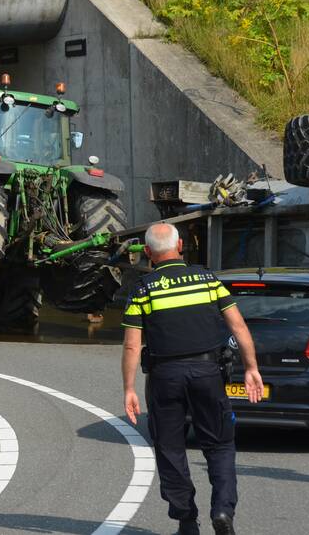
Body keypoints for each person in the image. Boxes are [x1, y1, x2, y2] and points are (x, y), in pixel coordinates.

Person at [121, 223, 263, 535]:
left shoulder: (143, 289)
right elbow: (238, 327)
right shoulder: (208, 280)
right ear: (181, 245)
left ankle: (187, 522)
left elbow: (133, 344)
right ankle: (223, 510)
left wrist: (129, 388)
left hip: (165, 377)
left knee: (170, 448)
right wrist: (252, 368)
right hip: (208, 373)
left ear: (147, 252)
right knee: (220, 445)